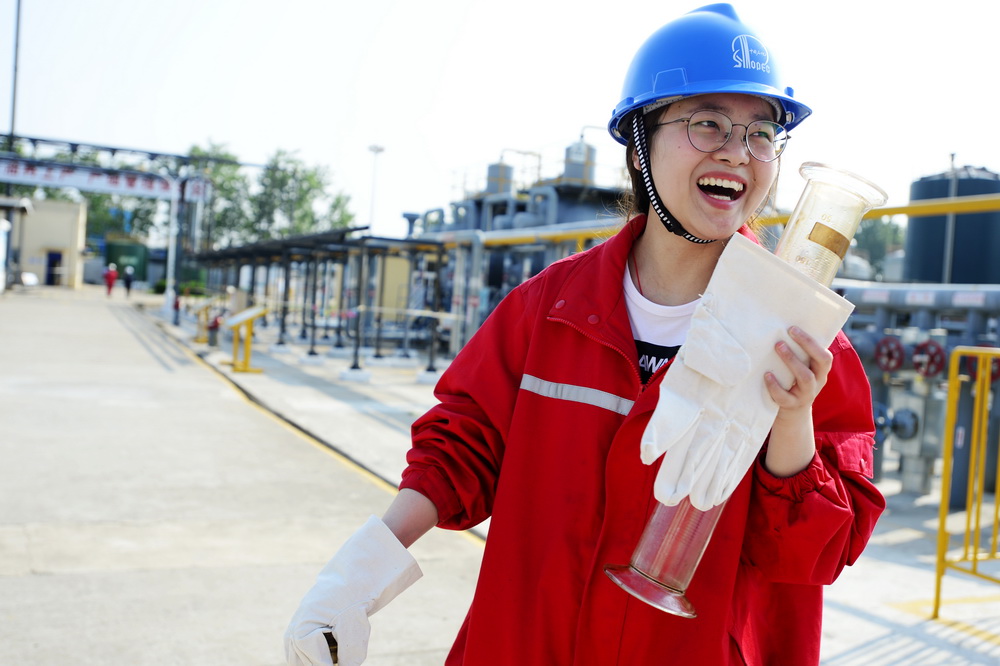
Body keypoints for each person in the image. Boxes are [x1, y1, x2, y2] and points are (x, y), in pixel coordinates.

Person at [284, 5, 885, 665]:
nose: (737, 151)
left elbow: (814, 554)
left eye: (763, 131)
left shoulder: (805, 347)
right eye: (707, 121)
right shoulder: (548, 311)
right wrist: (354, 578)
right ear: (637, 144)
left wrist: (789, 416)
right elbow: (460, 451)